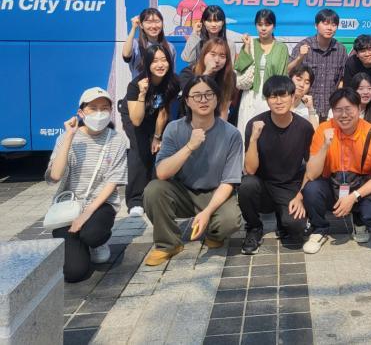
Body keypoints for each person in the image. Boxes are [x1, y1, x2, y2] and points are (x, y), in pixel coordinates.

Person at [143, 75, 243, 266]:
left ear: (217, 98)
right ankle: (168, 244)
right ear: (187, 101)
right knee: (153, 190)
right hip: (183, 192)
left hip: (214, 192)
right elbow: (162, 173)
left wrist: (207, 212)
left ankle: (214, 233)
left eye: (208, 94)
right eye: (196, 95)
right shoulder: (174, 128)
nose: (203, 100)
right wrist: (190, 146)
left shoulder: (231, 134)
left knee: (230, 221)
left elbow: (229, 181)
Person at [45, 87, 128, 282]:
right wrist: (69, 136)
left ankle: (96, 243)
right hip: (69, 206)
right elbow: (55, 176)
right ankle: (80, 245)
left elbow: (113, 180)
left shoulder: (117, 140)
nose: (99, 113)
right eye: (93, 108)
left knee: (92, 234)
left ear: (111, 111)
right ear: (81, 112)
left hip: (100, 204)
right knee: (73, 273)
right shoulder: (66, 138)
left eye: (104, 108)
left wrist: (86, 214)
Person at [302, 88, 371, 254]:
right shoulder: (323, 130)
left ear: (358, 108)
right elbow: (311, 174)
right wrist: (325, 146)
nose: (343, 115)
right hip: (332, 184)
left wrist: (353, 197)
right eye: (338, 110)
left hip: (360, 187)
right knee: (311, 189)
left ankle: (359, 221)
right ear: (332, 111)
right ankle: (319, 229)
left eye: (349, 109)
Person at [238, 76, 314, 255]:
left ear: (293, 97)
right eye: (273, 96)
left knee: (296, 228)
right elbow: (250, 170)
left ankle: (283, 218)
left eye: (283, 95)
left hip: (289, 186)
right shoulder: (255, 124)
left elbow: (311, 167)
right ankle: (254, 228)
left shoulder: (304, 127)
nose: (278, 101)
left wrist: (300, 195)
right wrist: (254, 138)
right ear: (267, 99)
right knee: (246, 184)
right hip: (262, 186)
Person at [120, 45, 179, 217]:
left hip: (157, 115)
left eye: (164, 60)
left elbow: (164, 112)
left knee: (158, 150)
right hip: (135, 114)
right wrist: (142, 94)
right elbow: (136, 120)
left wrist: (157, 137)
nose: (160, 65)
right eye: (155, 61)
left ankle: (153, 193)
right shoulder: (136, 85)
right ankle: (135, 200)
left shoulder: (172, 82)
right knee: (140, 150)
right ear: (146, 63)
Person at [235, 10, 289, 142]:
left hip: (271, 96)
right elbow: (240, 67)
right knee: (247, 133)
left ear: (274, 26)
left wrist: (278, 98)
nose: (263, 28)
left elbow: (282, 76)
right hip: (250, 95)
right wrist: (246, 46)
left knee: (268, 135)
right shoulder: (251, 43)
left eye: (267, 24)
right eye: (260, 24)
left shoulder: (281, 48)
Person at [288, 9, 348, 117]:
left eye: (334, 25)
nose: (329, 28)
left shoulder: (341, 50)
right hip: (303, 109)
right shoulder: (303, 46)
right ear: (316, 25)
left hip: (330, 109)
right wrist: (300, 57)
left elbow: (342, 80)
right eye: (325, 23)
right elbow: (288, 72)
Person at [178, 38, 236, 120]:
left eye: (222, 56)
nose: (217, 60)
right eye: (213, 54)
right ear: (204, 55)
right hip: (190, 119)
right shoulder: (188, 73)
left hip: (216, 122)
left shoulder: (230, 77)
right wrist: (207, 72)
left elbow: (224, 109)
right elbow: (192, 95)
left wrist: (221, 127)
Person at [122, 8, 176, 78]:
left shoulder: (170, 47)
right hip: (140, 85)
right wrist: (134, 28)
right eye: (149, 22)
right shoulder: (135, 44)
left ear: (162, 24)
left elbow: (171, 73)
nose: (153, 26)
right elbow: (126, 55)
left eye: (157, 21)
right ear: (141, 25)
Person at [343, 34, 371, 101]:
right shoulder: (351, 62)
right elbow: (347, 88)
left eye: (370, 49)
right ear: (357, 54)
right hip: (355, 99)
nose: (367, 54)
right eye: (362, 51)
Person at [289, 65, 319, 129]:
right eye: (298, 79)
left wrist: (311, 108)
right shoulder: (277, 102)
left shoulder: (309, 112)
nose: (302, 85)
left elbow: (315, 132)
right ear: (290, 80)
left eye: (307, 82)